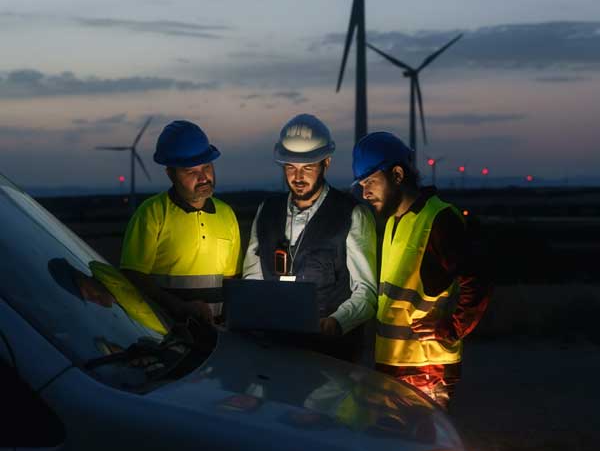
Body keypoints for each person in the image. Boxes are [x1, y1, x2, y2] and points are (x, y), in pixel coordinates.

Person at [352, 132, 491, 409]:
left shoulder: (439, 219)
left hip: (425, 370)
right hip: (395, 365)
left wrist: (451, 328)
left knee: (423, 450)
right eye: (362, 185)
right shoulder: (394, 221)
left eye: (370, 182)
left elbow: (478, 280)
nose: (364, 193)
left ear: (398, 175)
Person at [243, 114, 377, 362]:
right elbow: (252, 277)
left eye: (307, 167)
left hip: (332, 357)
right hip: (275, 351)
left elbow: (366, 292)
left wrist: (337, 323)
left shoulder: (351, 214)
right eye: (290, 167)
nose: (298, 177)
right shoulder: (267, 211)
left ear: (326, 162)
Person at [120, 120, 241, 325]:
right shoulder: (151, 214)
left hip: (219, 335)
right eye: (191, 171)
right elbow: (133, 277)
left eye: (206, 167)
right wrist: (179, 308)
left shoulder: (226, 214)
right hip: (167, 333)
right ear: (171, 174)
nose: (203, 177)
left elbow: (232, 280)